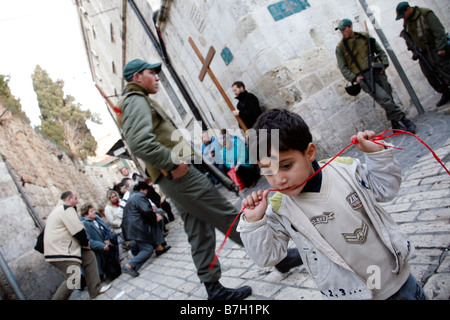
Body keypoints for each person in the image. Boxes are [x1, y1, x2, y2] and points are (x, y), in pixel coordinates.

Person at [237, 108, 428, 300]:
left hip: (396, 280)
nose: (279, 179)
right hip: (349, 294)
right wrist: (254, 222)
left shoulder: (345, 170)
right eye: (268, 171)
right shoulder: (280, 208)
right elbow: (267, 257)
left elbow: (386, 189)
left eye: (286, 166)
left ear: (310, 152)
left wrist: (377, 155)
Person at [117, 58, 255, 299]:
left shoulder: (138, 100)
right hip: (178, 175)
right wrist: (172, 163)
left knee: (198, 230)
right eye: (151, 72)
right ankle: (277, 256)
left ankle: (214, 289)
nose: (157, 77)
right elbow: (139, 142)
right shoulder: (135, 100)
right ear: (137, 77)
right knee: (227, 215)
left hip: (174, 177)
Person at [335, 19, 416, 133]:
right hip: (364, 77)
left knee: (388, 96)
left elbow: (379, 50)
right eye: (341, 30)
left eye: (344, 29)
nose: (343, 32)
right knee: (383, 98)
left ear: (350, 27)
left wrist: (384, 64)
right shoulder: (341, 47)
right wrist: (354, 78)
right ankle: (405, 120)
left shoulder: (364, 37)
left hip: (377, 70)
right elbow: (343, 67)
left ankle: (395, 124)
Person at [43, 190, 111, 300]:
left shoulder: (58, 210)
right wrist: (86, 244)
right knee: (73, 278)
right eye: (75, 198)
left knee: (88, 256)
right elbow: (78, 232)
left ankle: (95, 289)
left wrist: (85, 246)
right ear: (68, 199)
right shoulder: (66, 209)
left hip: (64, 248)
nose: (77, 201)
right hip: (61, 251)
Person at [396, 2, 450, 107]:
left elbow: (439, 31)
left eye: (403, 14)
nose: (403, 18)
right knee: (430, 75)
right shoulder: (407, 22)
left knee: (445, 69)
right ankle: (446, 93)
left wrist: (441, 48)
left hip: (435, 49)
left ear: (408, 9)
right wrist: (412, 50)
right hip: (422, 53)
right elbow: (409, 37)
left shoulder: (425, 14)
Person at [121, 181, 171, 277]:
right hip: (137, 228)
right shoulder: (139, 196)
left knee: (151, 231)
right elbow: (147, 211)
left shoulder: (134, 196)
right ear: (142, 190)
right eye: (146, 190)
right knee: (147, 249)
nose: (147, 193)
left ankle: (159, 248)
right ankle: (129, 266)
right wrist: (156, 217)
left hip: (134, 227)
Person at [80, 203, 121, 281]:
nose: (94, 212)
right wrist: (102, 245)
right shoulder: (85, 224)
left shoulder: (97, 219)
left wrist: (107, 239)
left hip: (105, 243)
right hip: (98, 248)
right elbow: (89, 240)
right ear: (86, 215)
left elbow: (106, 229)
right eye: (91, 211)